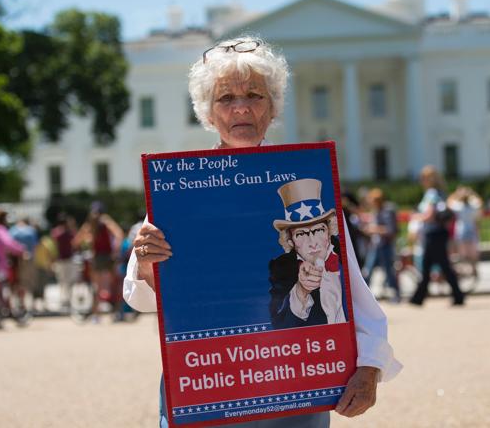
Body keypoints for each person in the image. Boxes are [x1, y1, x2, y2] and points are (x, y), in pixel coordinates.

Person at [123, 36, 401, 428]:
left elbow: (352, 289)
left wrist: (370, 365)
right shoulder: (177, 191)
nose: (241, 107)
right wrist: (149, 264)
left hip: (294, 382)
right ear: (208, 112)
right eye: (225, 98)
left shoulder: (310, 178)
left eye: (254, 94)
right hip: (210, 383)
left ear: (272, 107)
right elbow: (144, 299)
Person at [269, 178, 345, 328]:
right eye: (301, 234)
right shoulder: (281, 268)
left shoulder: (344, 254)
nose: (313, 242)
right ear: (290, 242)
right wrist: (301, 291)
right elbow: (278, 324)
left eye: (318, 230)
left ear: (329, 231)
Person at [409, 165, 464, 306]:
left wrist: (416, 217)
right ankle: (419, 297)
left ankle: (419, 297)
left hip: (433, 233)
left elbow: (430, 215)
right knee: (434, 266)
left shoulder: (432, 194)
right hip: (439, 233)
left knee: (437, 266)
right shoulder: (441, 192)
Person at [74, 202, 124, 322]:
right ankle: (117, 312)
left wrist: (88, 243)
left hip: (97, 257)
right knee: (114, 285)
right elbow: (119, 234)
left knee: (97, 287)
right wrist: (116, 250)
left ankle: (96, 315)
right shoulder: (106, 221)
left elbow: (77, 240)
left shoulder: (90, 223)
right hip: (108, 257)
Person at [361, 188, 400, 302]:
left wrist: (374, 229)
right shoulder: (376, 211)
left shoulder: (387, 211)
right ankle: (364, 297)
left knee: (389, 271)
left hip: (385, 246)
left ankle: (396, 294)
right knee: (368, 271)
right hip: (375, 245)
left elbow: (390, 229)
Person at [447, 186, 482, 281]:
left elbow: (449, 202)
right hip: (471, 230)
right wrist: (472, 194)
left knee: (462, 253)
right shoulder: (473, 206)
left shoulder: (459, 206)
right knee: (473, 252)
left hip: (461, 230)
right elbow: (479, 202)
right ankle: (474, 269)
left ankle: (463, 269)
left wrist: (456, 194)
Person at [51, 213, 76, 310]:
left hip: (61, 260)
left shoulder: (55, 232)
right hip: (68, 259)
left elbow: (53, 247)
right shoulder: (69, 232)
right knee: (69, 281)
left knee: (62, 281)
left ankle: (63, 300)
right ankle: (68, 300)